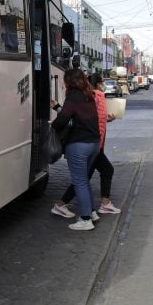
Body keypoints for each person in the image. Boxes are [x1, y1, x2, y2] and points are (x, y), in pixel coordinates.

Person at [51, 74, 121, 220]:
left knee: (84, 178)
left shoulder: (86, 96)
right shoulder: (92, 96)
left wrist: (57, 111)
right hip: (93, 143)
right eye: (102, 82)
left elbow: (71, 117)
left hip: (89, 142)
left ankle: (89, 211)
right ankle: (87, 212)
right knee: (86, 178)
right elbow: (74, 117)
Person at [50, 69, 101, 231]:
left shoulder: (72, 97)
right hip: (94, 143)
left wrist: (53, 126)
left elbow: (64, 120)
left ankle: (86, 219)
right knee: (84, 180)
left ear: (68, 81)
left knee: (79, 181)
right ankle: (92, 212)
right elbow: (78, 118)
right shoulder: (88, 95)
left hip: (79, 145)